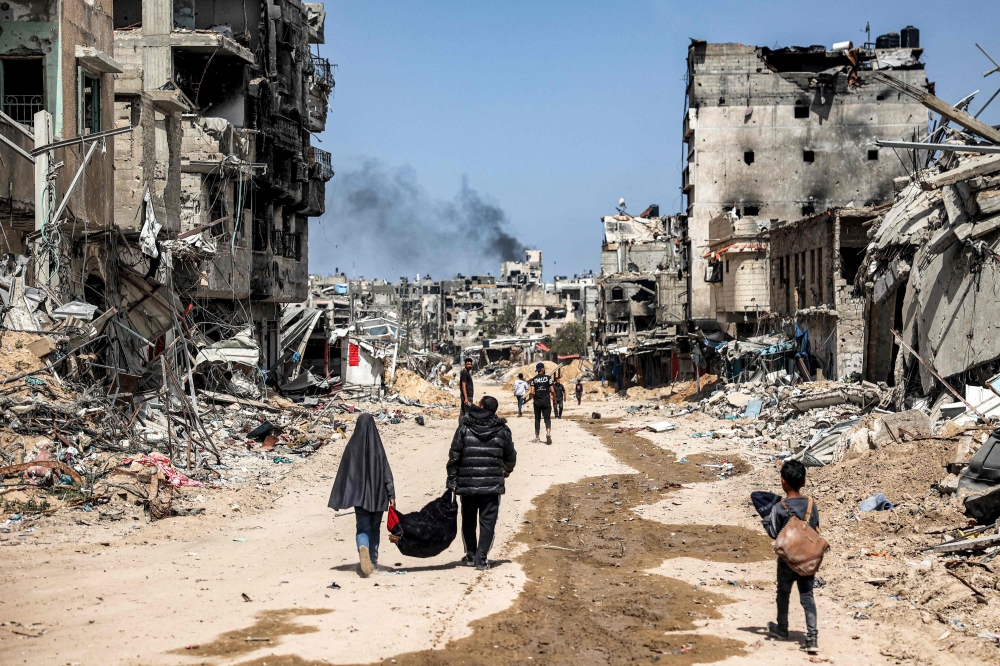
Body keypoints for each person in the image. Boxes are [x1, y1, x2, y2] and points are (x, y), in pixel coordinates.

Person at [446, 395, 516, 570]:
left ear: (481, 406)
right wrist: (506, 470)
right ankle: (481, 559)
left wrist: (452, 480)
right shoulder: (503, 430)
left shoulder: (464, 427)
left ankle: (471, 555)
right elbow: (511, 456)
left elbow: (454, 457)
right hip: (492, 487)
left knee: (468, 521)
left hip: (468, 485)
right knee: (488, 523)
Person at [328, 413, 396, 577]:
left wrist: (342, 496)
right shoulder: (378, 449)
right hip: (379, 497)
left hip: (360, 498)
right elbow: (387, 474)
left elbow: (344, 474)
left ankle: (362, 547)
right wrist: (392, 495)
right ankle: (372, 560)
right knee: (375, 528)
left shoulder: (351, 447)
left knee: (363, 528)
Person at [764, 459, 820, 654]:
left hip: (787, 559)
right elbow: (814, 527)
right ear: (804, 481)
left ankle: (782, 627)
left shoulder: (779, 507)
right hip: (807, 558)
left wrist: (765, 520)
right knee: (807, 595)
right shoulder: (812, 504)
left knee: (783, 592)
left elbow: (773, 533)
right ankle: (812, 637)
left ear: (782, 481)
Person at [528, 362, 556, 444]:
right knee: (547, 419)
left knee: (537, 419)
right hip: (546, 401)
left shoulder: (534, 379)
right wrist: (554, 399)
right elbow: (552, 390)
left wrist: (534, 398)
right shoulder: (548, 378)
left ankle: (537, 437)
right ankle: (548, 433)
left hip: (537, 402)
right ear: (542, 369)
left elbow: (532, 392)